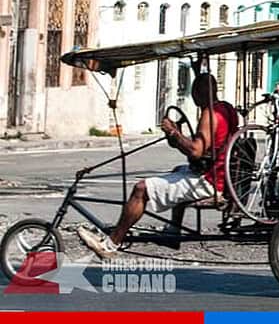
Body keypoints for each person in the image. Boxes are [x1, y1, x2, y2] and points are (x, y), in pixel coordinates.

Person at [78, 73, 236, 258]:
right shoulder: (227, 108)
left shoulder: (210, 114)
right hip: (218, 174)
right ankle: (173, 231)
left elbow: (195, 151)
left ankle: (112, 243)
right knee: (178, 171)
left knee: (141, 189)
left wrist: (174, 132)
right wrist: (177, 135)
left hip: (210, 181)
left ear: (197, 92)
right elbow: (208, 148)